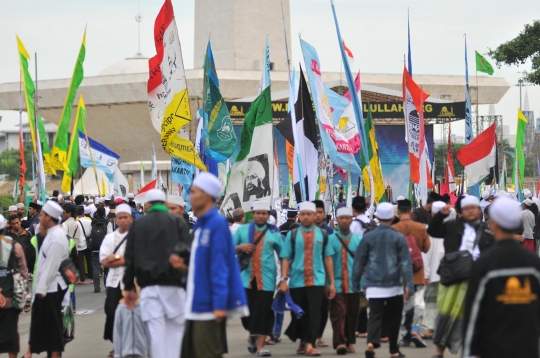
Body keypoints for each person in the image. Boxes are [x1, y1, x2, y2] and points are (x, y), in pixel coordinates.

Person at [181, 172, 248, 358]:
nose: (190, 197)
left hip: (208, 307)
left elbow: (220, 267)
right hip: (194, 304)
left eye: (193, 192)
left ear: (207, 195)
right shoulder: (201, 225)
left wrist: (219, 305)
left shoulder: (216, 224)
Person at [463, 195, 540, 358]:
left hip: (492, 349)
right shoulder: (534, 263)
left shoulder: (484, 264)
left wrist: (469, 352)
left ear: (494, 223)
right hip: (528, 349)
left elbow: (473, 313)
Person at [123, 189, 192, 358]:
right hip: (174, 285)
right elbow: (188, 252)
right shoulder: (177, 222)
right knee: (176, 330)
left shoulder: (138, 225)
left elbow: (129, 258)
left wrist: (129, 286)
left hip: (149, 287)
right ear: (164, 203)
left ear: (147, 204)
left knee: (155, 331)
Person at [427, 195, 495, 357]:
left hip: (476, 279)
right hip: (453, 277)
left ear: (479, 210)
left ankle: (472, 351)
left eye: (473, 208)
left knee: (475, 318)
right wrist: (440, 215)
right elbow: (433, 231)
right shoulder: (451, 226)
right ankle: (439, 351)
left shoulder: (486, 231)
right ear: (461, 211)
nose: (470, 211)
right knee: (447, 315)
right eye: (467, 209)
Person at [353, 202, 413, 358]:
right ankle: (393, 350)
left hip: (373, 283)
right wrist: (409, 286)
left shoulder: (368, 236)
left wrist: (355, 284)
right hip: (395, 284)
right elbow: (406, 263)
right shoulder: (398, 237)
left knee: (374, 315)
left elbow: (359, 262)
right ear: (393, 217)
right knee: (394, 317)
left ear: (377, 217)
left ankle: (371, 342)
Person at [279, 201, 336, 357]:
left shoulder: (323, 235)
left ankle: (310, 344)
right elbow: (285, 257)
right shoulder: (293, 235)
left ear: (314, 216)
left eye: (308, 214)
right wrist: (283, 279)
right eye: (302, 214)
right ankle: (303, 342)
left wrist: (331, 282)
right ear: (299, 216)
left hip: (317, 280)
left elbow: (328, 259)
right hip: (297, 280)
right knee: (299, 313)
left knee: (314, 312)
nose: (305, 217)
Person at [234, 201, 283, 357]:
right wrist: (241, 247)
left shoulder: (274, 233)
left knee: (263, 312)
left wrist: (284, 278)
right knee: (247, 315)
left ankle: (261, 347)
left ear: (268, 215)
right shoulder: (242, 230)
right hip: (245, 278)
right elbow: (227, 247)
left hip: (267, 279)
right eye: (258, 213)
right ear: (253, 213)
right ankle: (251, 335)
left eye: (264, 213)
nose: (261, 216)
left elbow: (284, 255)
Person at [29, 201, 69, 358]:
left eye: (41, 215)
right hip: (47, 288)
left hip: (52, 289)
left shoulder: (57, 237)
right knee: (48, 330)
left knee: (54, 331)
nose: (39, 217)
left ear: (48, 216)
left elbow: (51, 267)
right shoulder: (51, 234)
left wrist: (41, 290)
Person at [391, 199, 431, 348]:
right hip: (418, 270)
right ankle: (415, 329)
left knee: (403, 304)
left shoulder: (394, 229)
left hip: (399, 272)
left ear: (398, 212)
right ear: (412, 211)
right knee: (419, 302)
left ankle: (405, 334)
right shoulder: (420, 227)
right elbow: (426, 248)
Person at [328, 207, 363, 355]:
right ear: (336, 220)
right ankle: (340, 342)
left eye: (347, 218)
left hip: (355, 284)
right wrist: (329, 283)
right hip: (336, 283)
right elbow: (327, 260)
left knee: (352, 314)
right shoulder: (331, 239)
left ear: (351, 219)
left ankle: (349, 341)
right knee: (338, 313)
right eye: (341, 218)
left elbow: (363, 262)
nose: (344, 221)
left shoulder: (358, 240)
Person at [100, 204, 132, 357]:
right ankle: (116, 345)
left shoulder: (136, 237)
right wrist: (126, 259)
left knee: (131, 316)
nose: (124, 220)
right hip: (113, 282)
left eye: (126, 217)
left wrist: (117, 257)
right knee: (111, 313)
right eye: (121, 217)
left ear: (130, 219)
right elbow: (105, 261)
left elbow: (137, 259)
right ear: (116, 219)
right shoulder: (109, 238)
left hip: (132, 283)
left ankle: (128, 346)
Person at [0, 214, 30, 358]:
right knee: (12, 331)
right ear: (5, 226)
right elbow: (23, 273)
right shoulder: (15, 245)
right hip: (12, 298)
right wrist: (26, 300)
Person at [420, 201, 446, 340]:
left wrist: (426, 274)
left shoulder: (429, 231)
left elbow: (427, 254)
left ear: (432, 213)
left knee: (430, 302)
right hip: (446, 273)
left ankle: (431, 328)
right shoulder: (451, 229)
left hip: (432, 273)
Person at [90, 207, 113, 293]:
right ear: (104, 214)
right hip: (105, 247)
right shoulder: (108, 223)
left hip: (95, 247)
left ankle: (96, 287)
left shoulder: (93, 222)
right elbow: (110, 235)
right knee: (107, 267)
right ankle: (107, 285)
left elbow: (89, 233)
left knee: (95, 266)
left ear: (97, 213)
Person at [74, 206, 93, 285]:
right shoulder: (89, 221)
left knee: (80, 262)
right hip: (88, 243)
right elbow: (91, 232)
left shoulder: (76, 223)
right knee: (90, 261)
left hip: (80, 244)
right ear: (83, 212)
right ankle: (92, 278)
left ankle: (82, 279)